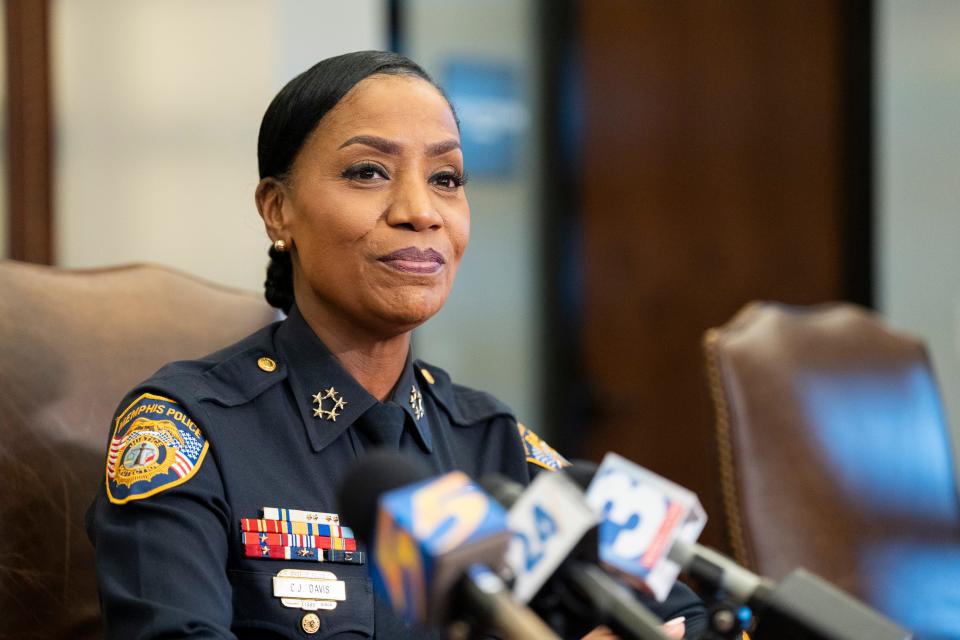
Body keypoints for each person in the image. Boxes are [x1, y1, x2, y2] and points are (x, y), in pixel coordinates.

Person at [86, 50, 705, 639]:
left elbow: (694, 614)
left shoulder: (490, 441)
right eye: (368, 172)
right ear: (278, 211)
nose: (420, 211)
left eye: (446, 177)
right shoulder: (185, 429)